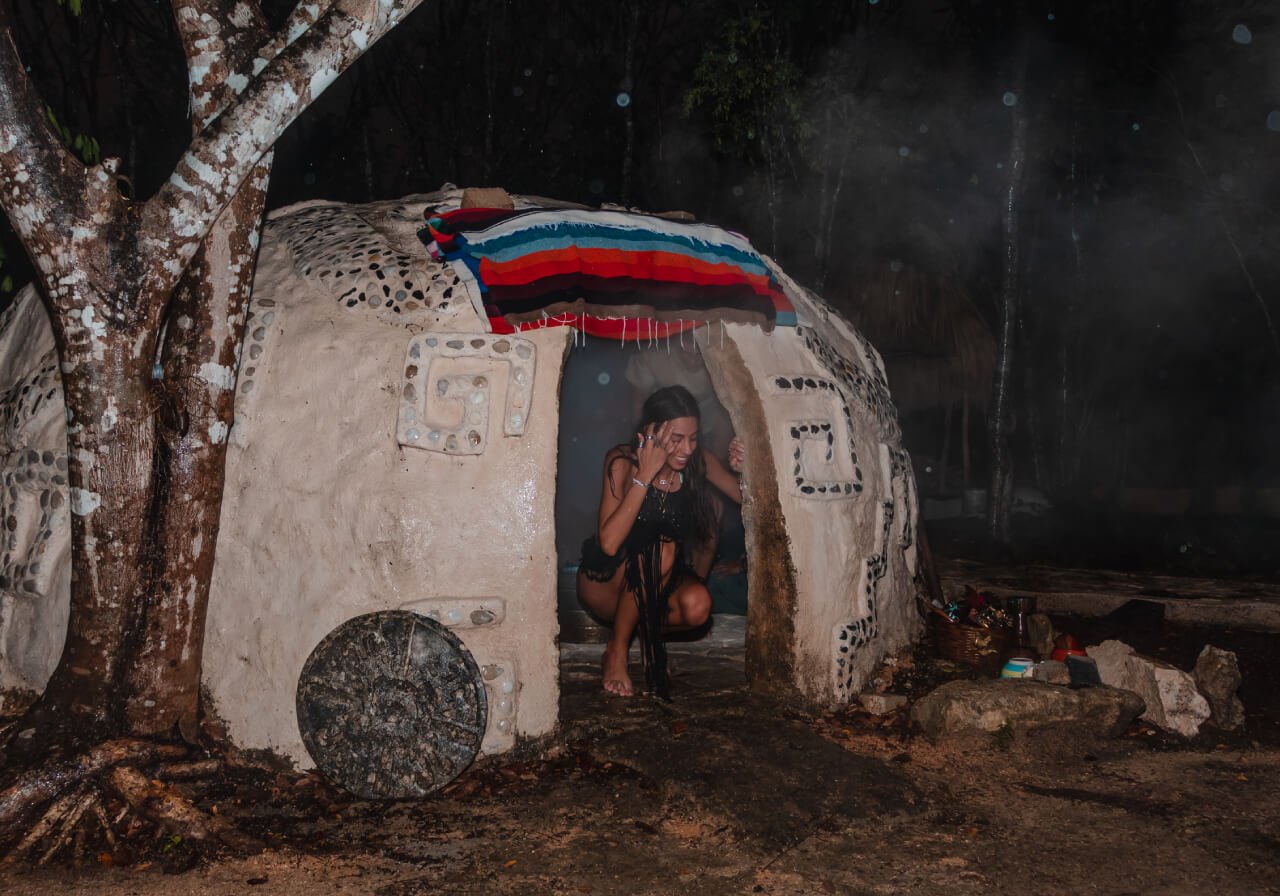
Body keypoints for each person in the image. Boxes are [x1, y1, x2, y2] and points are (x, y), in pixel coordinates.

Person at [577, 385, 745, 698]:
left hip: (654, 586)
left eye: (693, 438)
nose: (687, 449)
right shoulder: (622, 461)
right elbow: (610, 544)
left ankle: (644, 631)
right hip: (605, 584)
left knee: (698, 606)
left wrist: (745, 470)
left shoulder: (698, 462)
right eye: (676, 439)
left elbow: (748, 500)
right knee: (661, 549)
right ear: (650, 432)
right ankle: (617, 650)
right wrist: (646, 473)